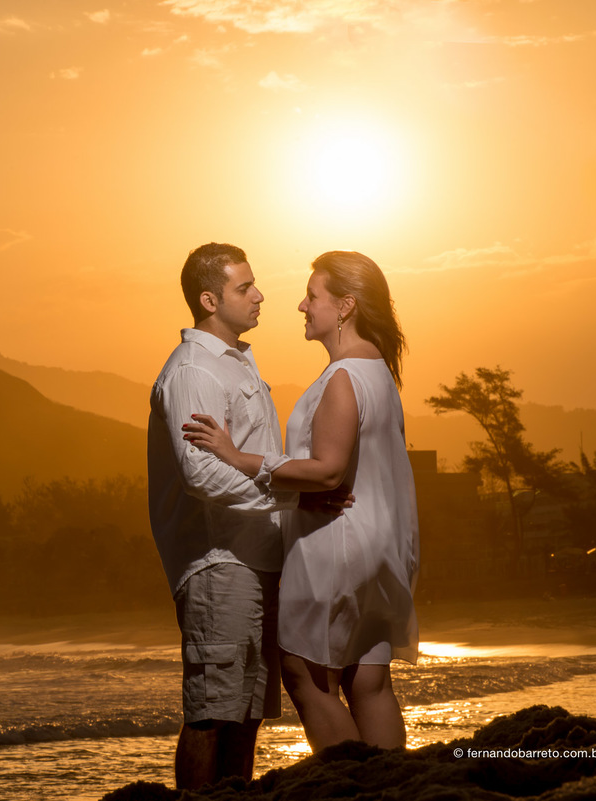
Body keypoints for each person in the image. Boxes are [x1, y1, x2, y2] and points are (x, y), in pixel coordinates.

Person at [184, 250, 419, 753]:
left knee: (307, 677)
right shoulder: (379, 372)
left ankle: (348, 782)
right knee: (368, 680)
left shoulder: (343, 377)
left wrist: (237, 456)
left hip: (335, 543)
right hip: (381, 544)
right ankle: (397, 785)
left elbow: (329, 470)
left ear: (346, 306)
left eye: (313, 296)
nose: (301, 306)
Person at [148, 242, 301, 790]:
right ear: (209, 300)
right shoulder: (193, 370)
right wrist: (291, 497)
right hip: (218, 562)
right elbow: (202, 474)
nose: (260, 296)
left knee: (247, 713)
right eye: (245, 287)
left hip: (257, 556)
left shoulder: (235, 361)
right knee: (213, 711)